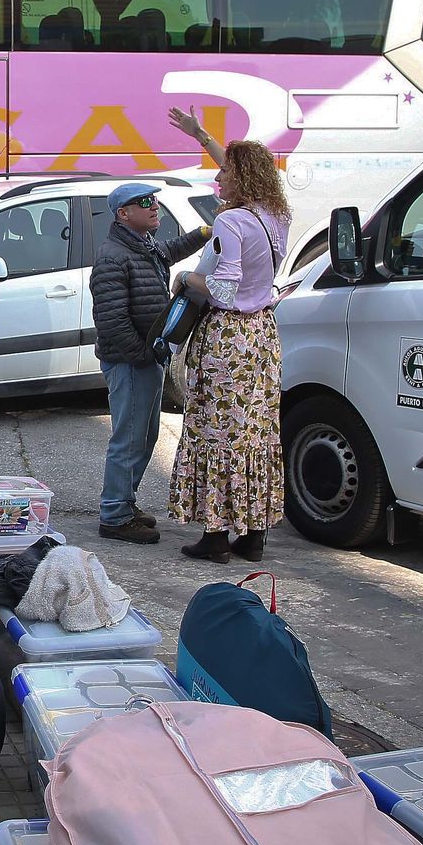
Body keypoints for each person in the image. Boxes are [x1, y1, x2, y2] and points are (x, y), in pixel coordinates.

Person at [165, 105, 291, 563]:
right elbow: (243, 168)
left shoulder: (230, 221)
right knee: (254, 431)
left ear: (242, 178)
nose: (218, 177)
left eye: (225, 173)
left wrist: (185, 279)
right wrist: (201, 135)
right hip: (261, 337)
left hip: (227, 337)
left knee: (215, 430)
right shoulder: (273, 215)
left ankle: (215, 536)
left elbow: (224, 286)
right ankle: (253, 535)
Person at [90, 181, 210, 543]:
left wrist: (204, 233)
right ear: (123, 214)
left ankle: (124, 504)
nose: (154, 206)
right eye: (145, 202)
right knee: (129, 439)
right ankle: (114, 515)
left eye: (154, 200)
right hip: (130, 362)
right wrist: (143, 355)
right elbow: (111, 321)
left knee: (145, 437)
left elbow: (170, 251)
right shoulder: (113, 257)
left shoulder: (142, 245)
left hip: (145, 359)